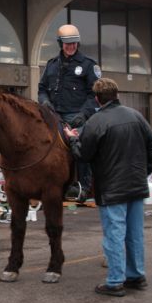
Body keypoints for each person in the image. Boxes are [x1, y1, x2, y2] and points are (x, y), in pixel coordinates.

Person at [63, 78, 152, 297]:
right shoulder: (136, 116)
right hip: (135, 185)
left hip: (111, 188)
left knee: (114, 234)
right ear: (117, 94)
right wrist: (142, 172)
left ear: (97, 99)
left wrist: (72, 140)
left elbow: (84, 155)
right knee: (134, 233)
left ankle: (115, 281)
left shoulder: (96, 121)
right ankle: (136, 275)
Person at [38, 23, 101, 202]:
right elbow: (42, 88)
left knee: (79, 145)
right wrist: (45, 101)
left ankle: (83, 186)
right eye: (67, 43)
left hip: (77, 115)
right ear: (60, 43)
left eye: (74, 43)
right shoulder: (51, 65)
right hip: (54, 115)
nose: (71, 46)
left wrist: (84, 114)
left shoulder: (88, 65)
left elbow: (95, 94)